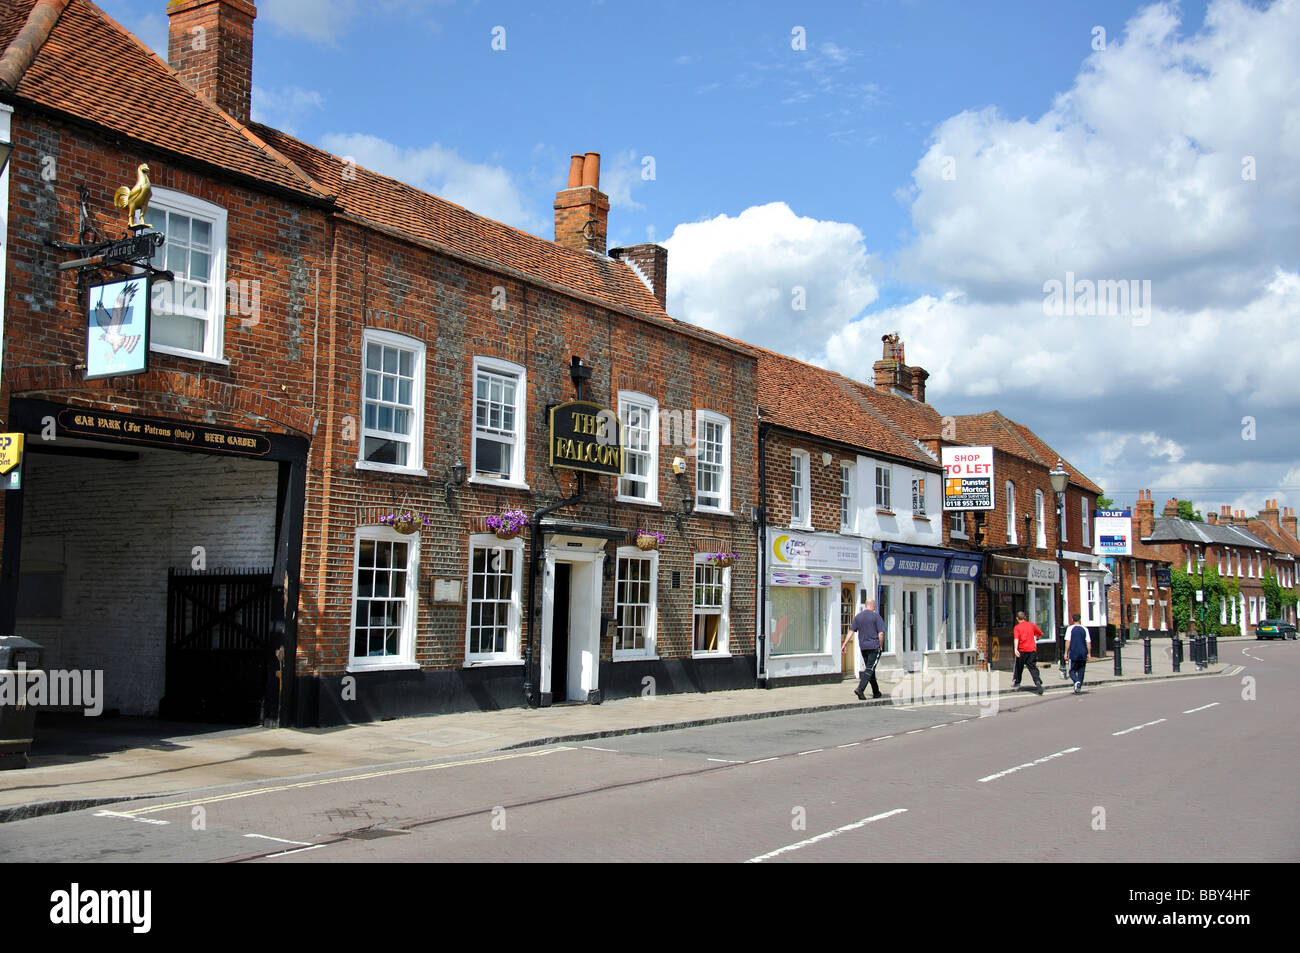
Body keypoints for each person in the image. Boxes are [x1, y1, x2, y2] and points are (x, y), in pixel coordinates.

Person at [842, 597, 885, 699]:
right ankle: (860, 689)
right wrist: (881, 645)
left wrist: (844, 644)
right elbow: (881, 633)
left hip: (863, 647)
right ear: (873, 605)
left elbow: (851, 632)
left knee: (870, 669)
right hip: (874, 646)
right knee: (870, 669)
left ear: (866, 605)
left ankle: (876, 692)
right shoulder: (876, 617)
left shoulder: (858, 617)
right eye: (874, 605)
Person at [1011, 610, 1044, 694]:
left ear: (1017, 618)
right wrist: (1036, 637)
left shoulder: (1017, 627)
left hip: (1022, 650)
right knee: (1032, 667)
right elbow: (1040, 633)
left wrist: (1015, 649)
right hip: (1032, 650)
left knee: (1019, 667)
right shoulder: (1031, 625)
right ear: (1025, 617)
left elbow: (1016, 639)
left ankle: (1017, 682)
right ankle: (1037, 681)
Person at [1066, 613, 1091, 694]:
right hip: (1083, 652)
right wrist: (1089, 653)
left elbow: (1068, 642)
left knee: (1071, 671)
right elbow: (1088, 643)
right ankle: (1079, 686)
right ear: (1080, 620)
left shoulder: (1070, 629)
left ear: (1072, 620)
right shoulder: (1085, 629)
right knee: (1081, 670)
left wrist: (1065, 653)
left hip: (1073, 652)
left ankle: (1076, 682)